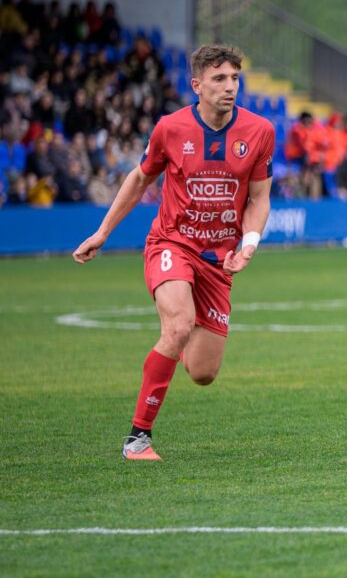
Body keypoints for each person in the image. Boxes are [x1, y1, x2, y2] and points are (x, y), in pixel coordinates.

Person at [72, 44, 276, 462]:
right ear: (196, 85)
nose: (230, 87)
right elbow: (139, 180)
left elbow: (259, 199)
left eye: (235, 78)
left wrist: (249, 244)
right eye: (219, 79)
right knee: (179, 325)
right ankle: (137, 440)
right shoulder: (170, 128)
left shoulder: (259, 132)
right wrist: (103, 232)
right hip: (172, 244)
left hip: (219, 262)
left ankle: (175, 343)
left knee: (203, 373)